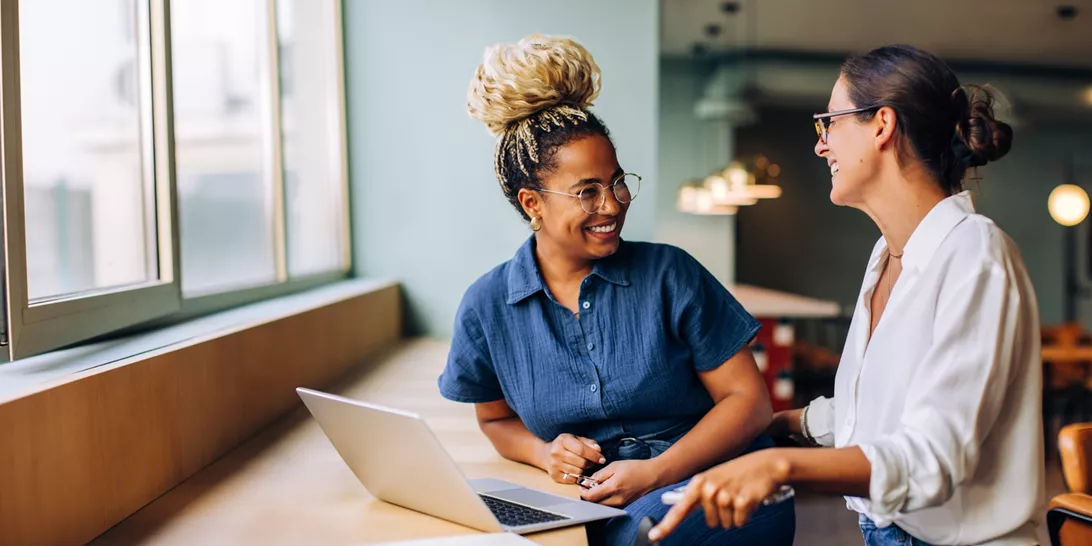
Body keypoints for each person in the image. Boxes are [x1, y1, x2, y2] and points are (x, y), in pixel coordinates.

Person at [650, 44, 1045, 546]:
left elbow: (933, 456)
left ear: (881, 125)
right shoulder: (887, 254)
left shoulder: (975, 253)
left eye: (829, 123)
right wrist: (777, 426)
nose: (820, 146)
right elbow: (881, 406)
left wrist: (781, 465)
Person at [437, 34, 795, 545]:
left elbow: (749, 402)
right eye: (587, 192)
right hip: (599, 496)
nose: (613, 204)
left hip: (725, 478)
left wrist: (656, 471)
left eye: (617, 182)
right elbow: (494, 418)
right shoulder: (488, 305)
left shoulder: (671, 273)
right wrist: (545, 453)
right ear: (532, 204)